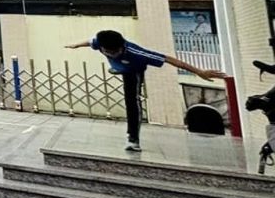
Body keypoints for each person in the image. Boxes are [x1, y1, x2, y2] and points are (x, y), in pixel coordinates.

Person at [65, 30, 226, 152]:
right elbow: (89, 42)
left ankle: (133, 139)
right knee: (118, 66)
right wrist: (76, 45)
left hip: (134, 70)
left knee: (132, 101)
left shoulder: (136, 52)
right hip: (122, 66)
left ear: (121, 47)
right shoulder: (99, 43)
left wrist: (199, 71)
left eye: (115, 52)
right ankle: (117, 67)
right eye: (108, 52)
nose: (111, 54)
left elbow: (170, 60)